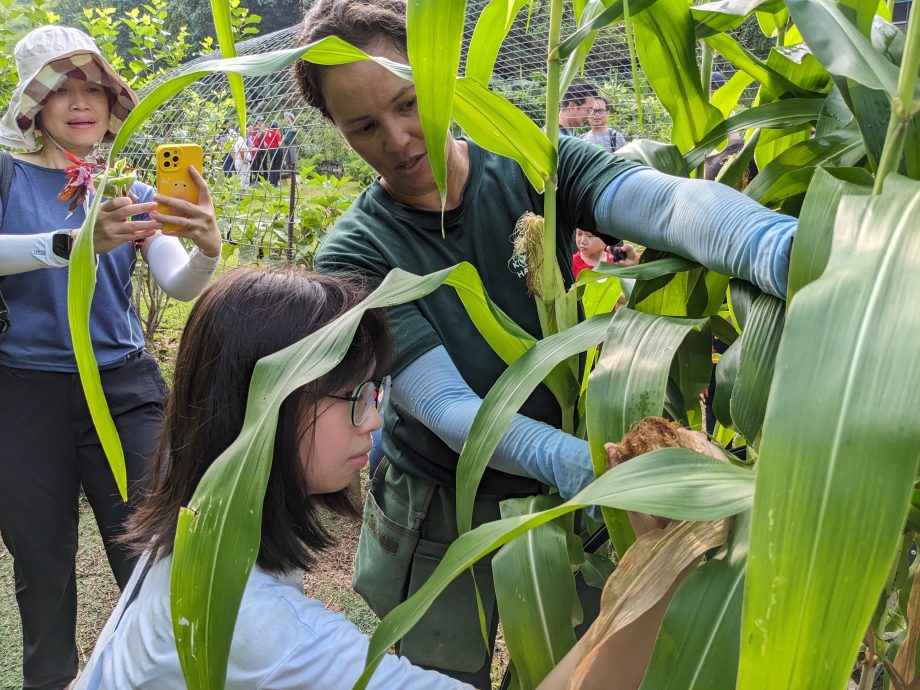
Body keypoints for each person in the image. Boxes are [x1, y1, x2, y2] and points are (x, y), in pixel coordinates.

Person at [293, 0, 795, 685]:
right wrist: (584, 469)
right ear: (337, 131)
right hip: (441, 498)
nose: (401, 138)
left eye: (412, 102)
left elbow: (667, 205)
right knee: (437, 673)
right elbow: (445, 408)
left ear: (445, 79)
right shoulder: (356, 251)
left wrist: (780, 250)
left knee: (597, 656)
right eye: (364, 127)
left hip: (579, 488)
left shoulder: (530, 164)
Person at [74, 269, 690, 689]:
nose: (374, 419)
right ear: (264, 410)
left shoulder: (201, 533)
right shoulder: (260, 630)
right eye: (350, 398)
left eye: (376, 392)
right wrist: (661, 572)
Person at [0, 25, 222, 690]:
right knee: (42, 567)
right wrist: (72, 243)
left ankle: (153, 676)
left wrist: (209, 244)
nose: (79, 101)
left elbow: (178, 280)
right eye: (60, 88)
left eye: (91, 85)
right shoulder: (7, 171)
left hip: (124, 387)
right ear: (33, 106)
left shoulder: (126, 185)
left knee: (152, 554)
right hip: (24, 389)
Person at [572, 227, 639, 278]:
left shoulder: (616, 263)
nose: (582, 241)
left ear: (608, 238)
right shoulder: (571, 263)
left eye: (590, 236)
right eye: (579, 234)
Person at [222, 118, 251, 190]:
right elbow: (224, 145)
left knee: (237, 171)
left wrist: (235, 157)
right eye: (228, 123)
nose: (230, 124)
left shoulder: (232, 132)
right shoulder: (222, 133)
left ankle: (237, 187)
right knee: (227, 170)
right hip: (226, 153)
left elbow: (236, 140)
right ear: (224, 124)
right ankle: (229, 187)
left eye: (230, 123)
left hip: (235, 153)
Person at [263, 119, 283, 185]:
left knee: (273, 165)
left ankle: (271, 181)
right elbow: (280, 144)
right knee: (278, 166)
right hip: (277, 150)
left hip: (271, 151)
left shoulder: (266, 133)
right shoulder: (276, 133)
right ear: (276, 126)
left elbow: (265, 145)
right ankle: (276, 182)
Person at [248, 113, 266, 183]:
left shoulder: (263, 128)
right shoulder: (255, 129)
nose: (262, 122)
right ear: (257, 121)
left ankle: (265, 177)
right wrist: (261, 129)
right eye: (260, 121)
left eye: (262, 121)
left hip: (264, 148)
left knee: (264, 164)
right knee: (258, 164)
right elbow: (258, 137)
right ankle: (258, 177)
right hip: (257, 149)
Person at [281, 110, 299, 179]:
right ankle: (290, 175)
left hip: (292, 145)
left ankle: (295, 175)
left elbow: (295, 130)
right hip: (286, 145)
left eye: (287, 117)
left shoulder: (293, 126)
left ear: (290, 118)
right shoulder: (285, 128)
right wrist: (282, 140)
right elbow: (283, 135)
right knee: (287, 160)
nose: (285, 119)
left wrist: (290, 122)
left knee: (293, 160)